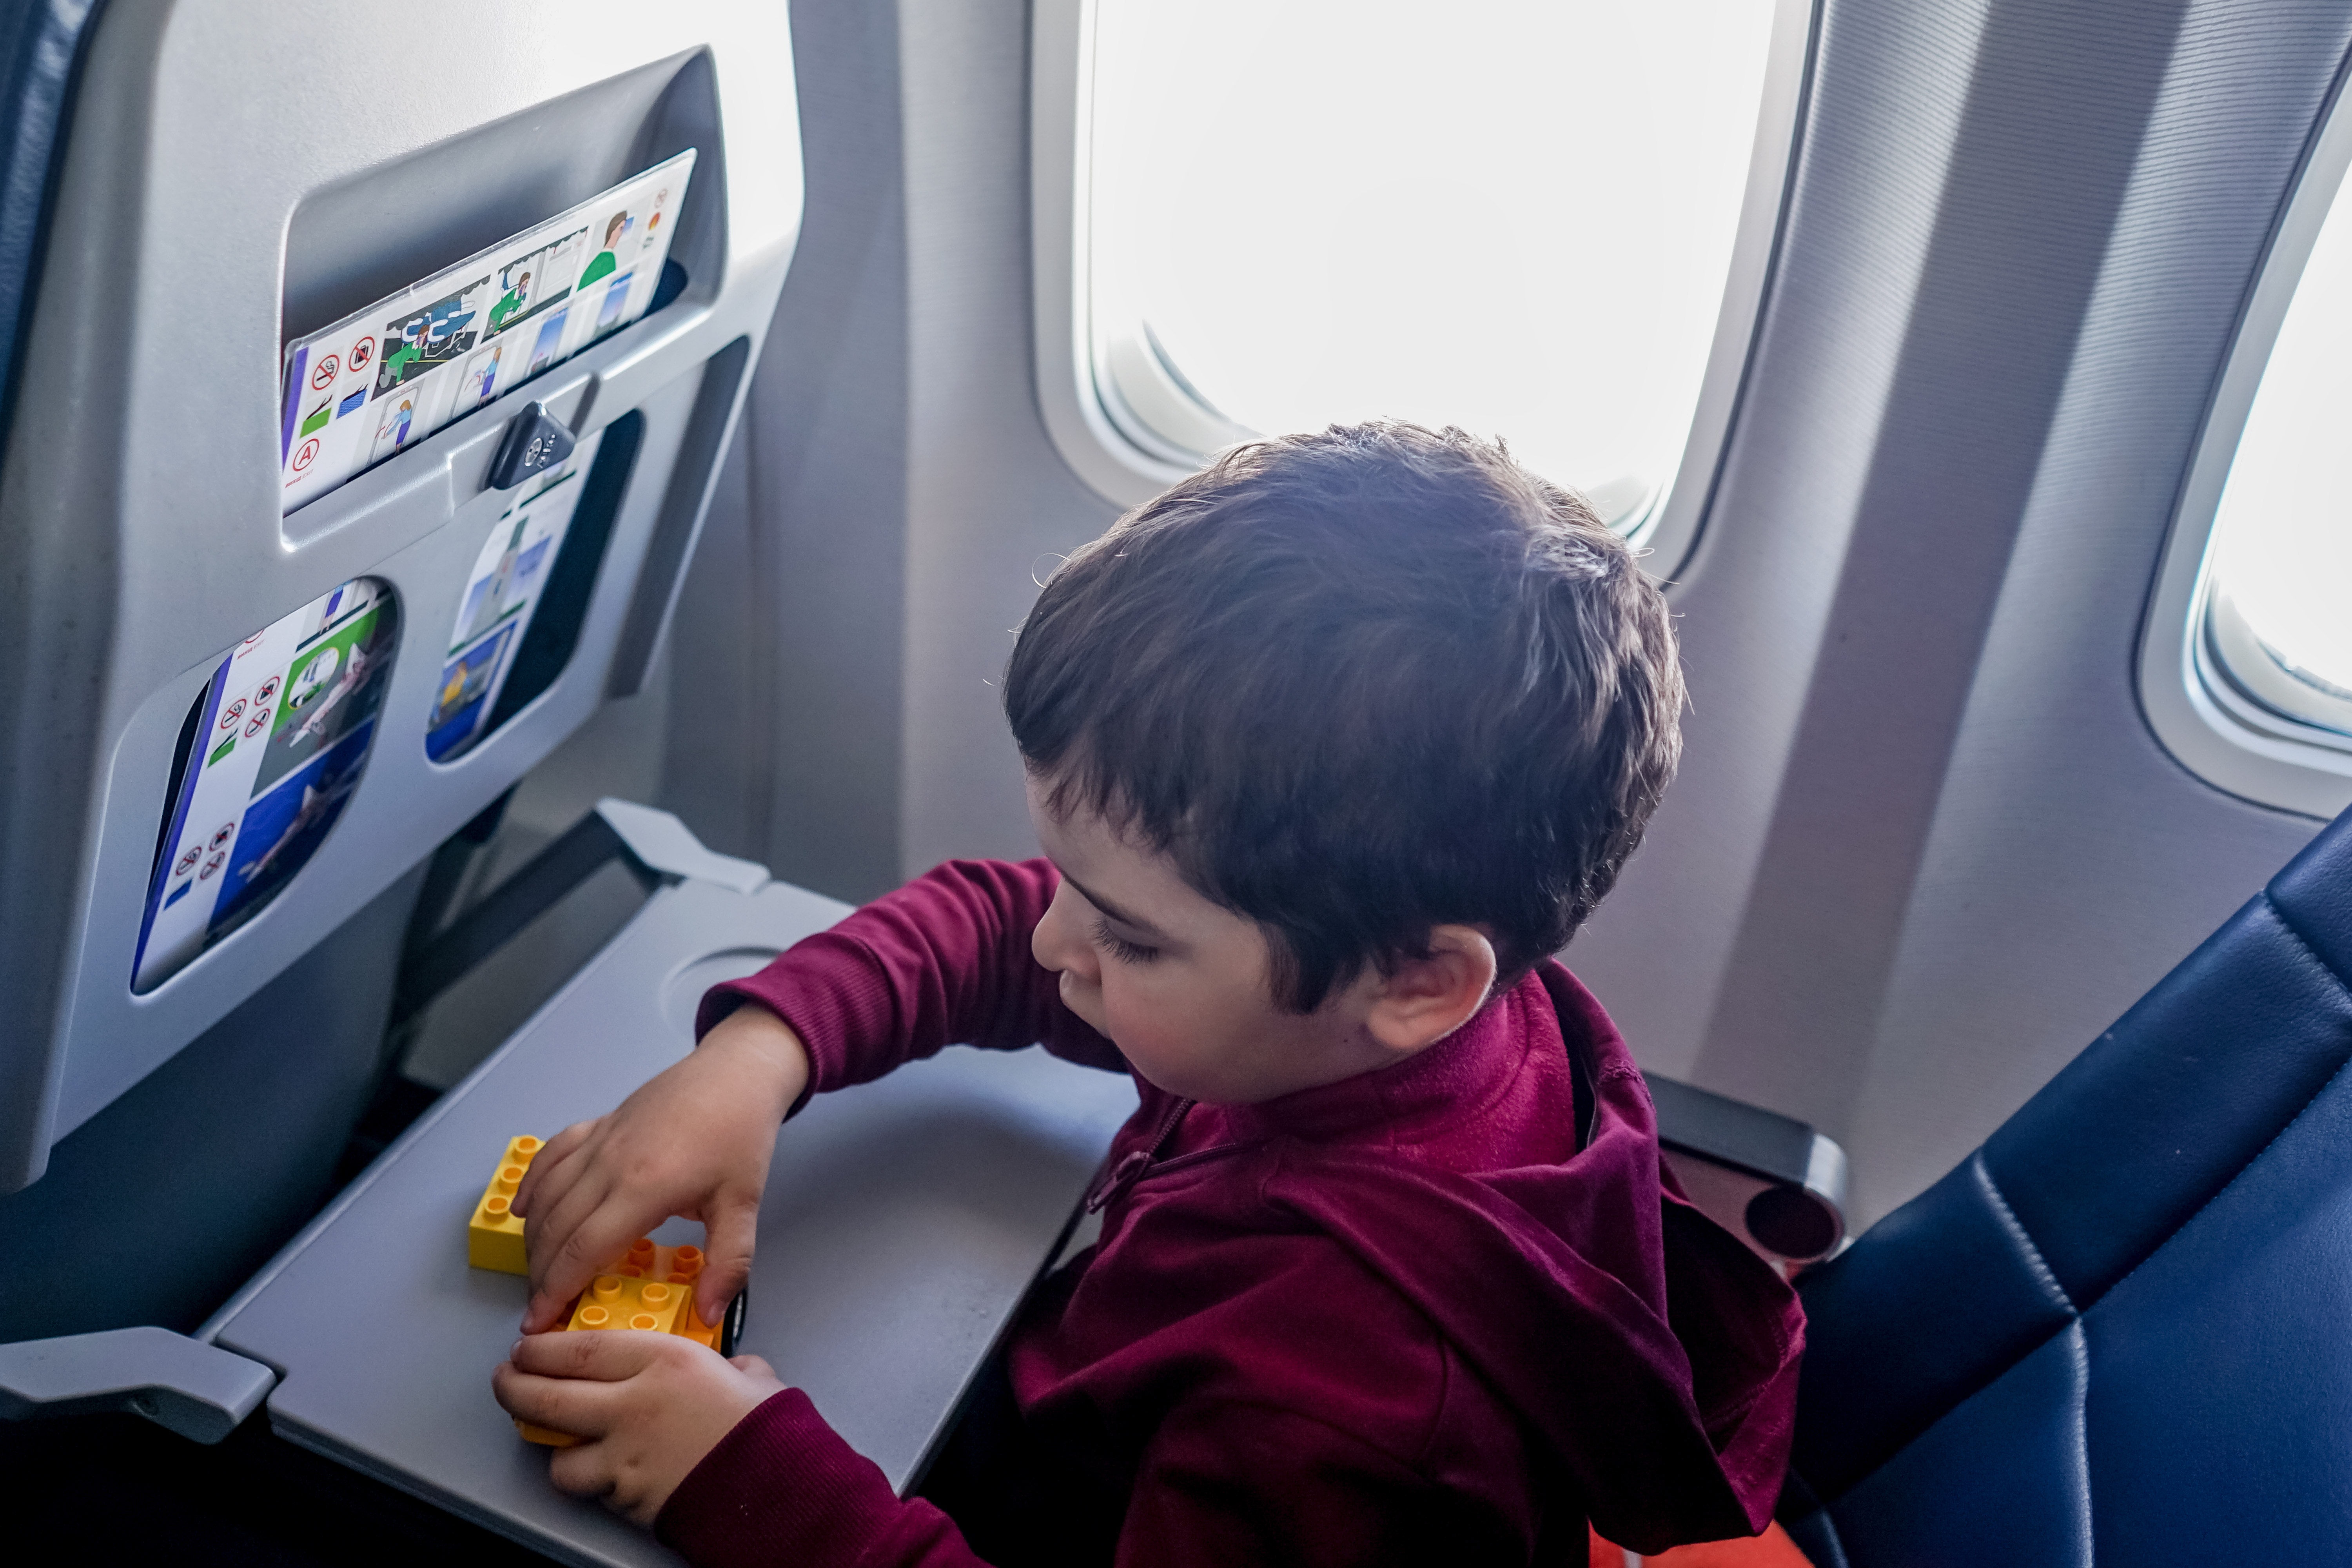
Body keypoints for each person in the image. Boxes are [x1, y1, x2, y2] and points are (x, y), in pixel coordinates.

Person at [491, 423, 1804, 1565]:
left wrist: (746, 1480)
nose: (1058, 942)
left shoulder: (1347, 1414)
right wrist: (754, 1061)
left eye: (1128, 936)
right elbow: (1002, 923)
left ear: (1416, 981)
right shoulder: (1384, 1029)